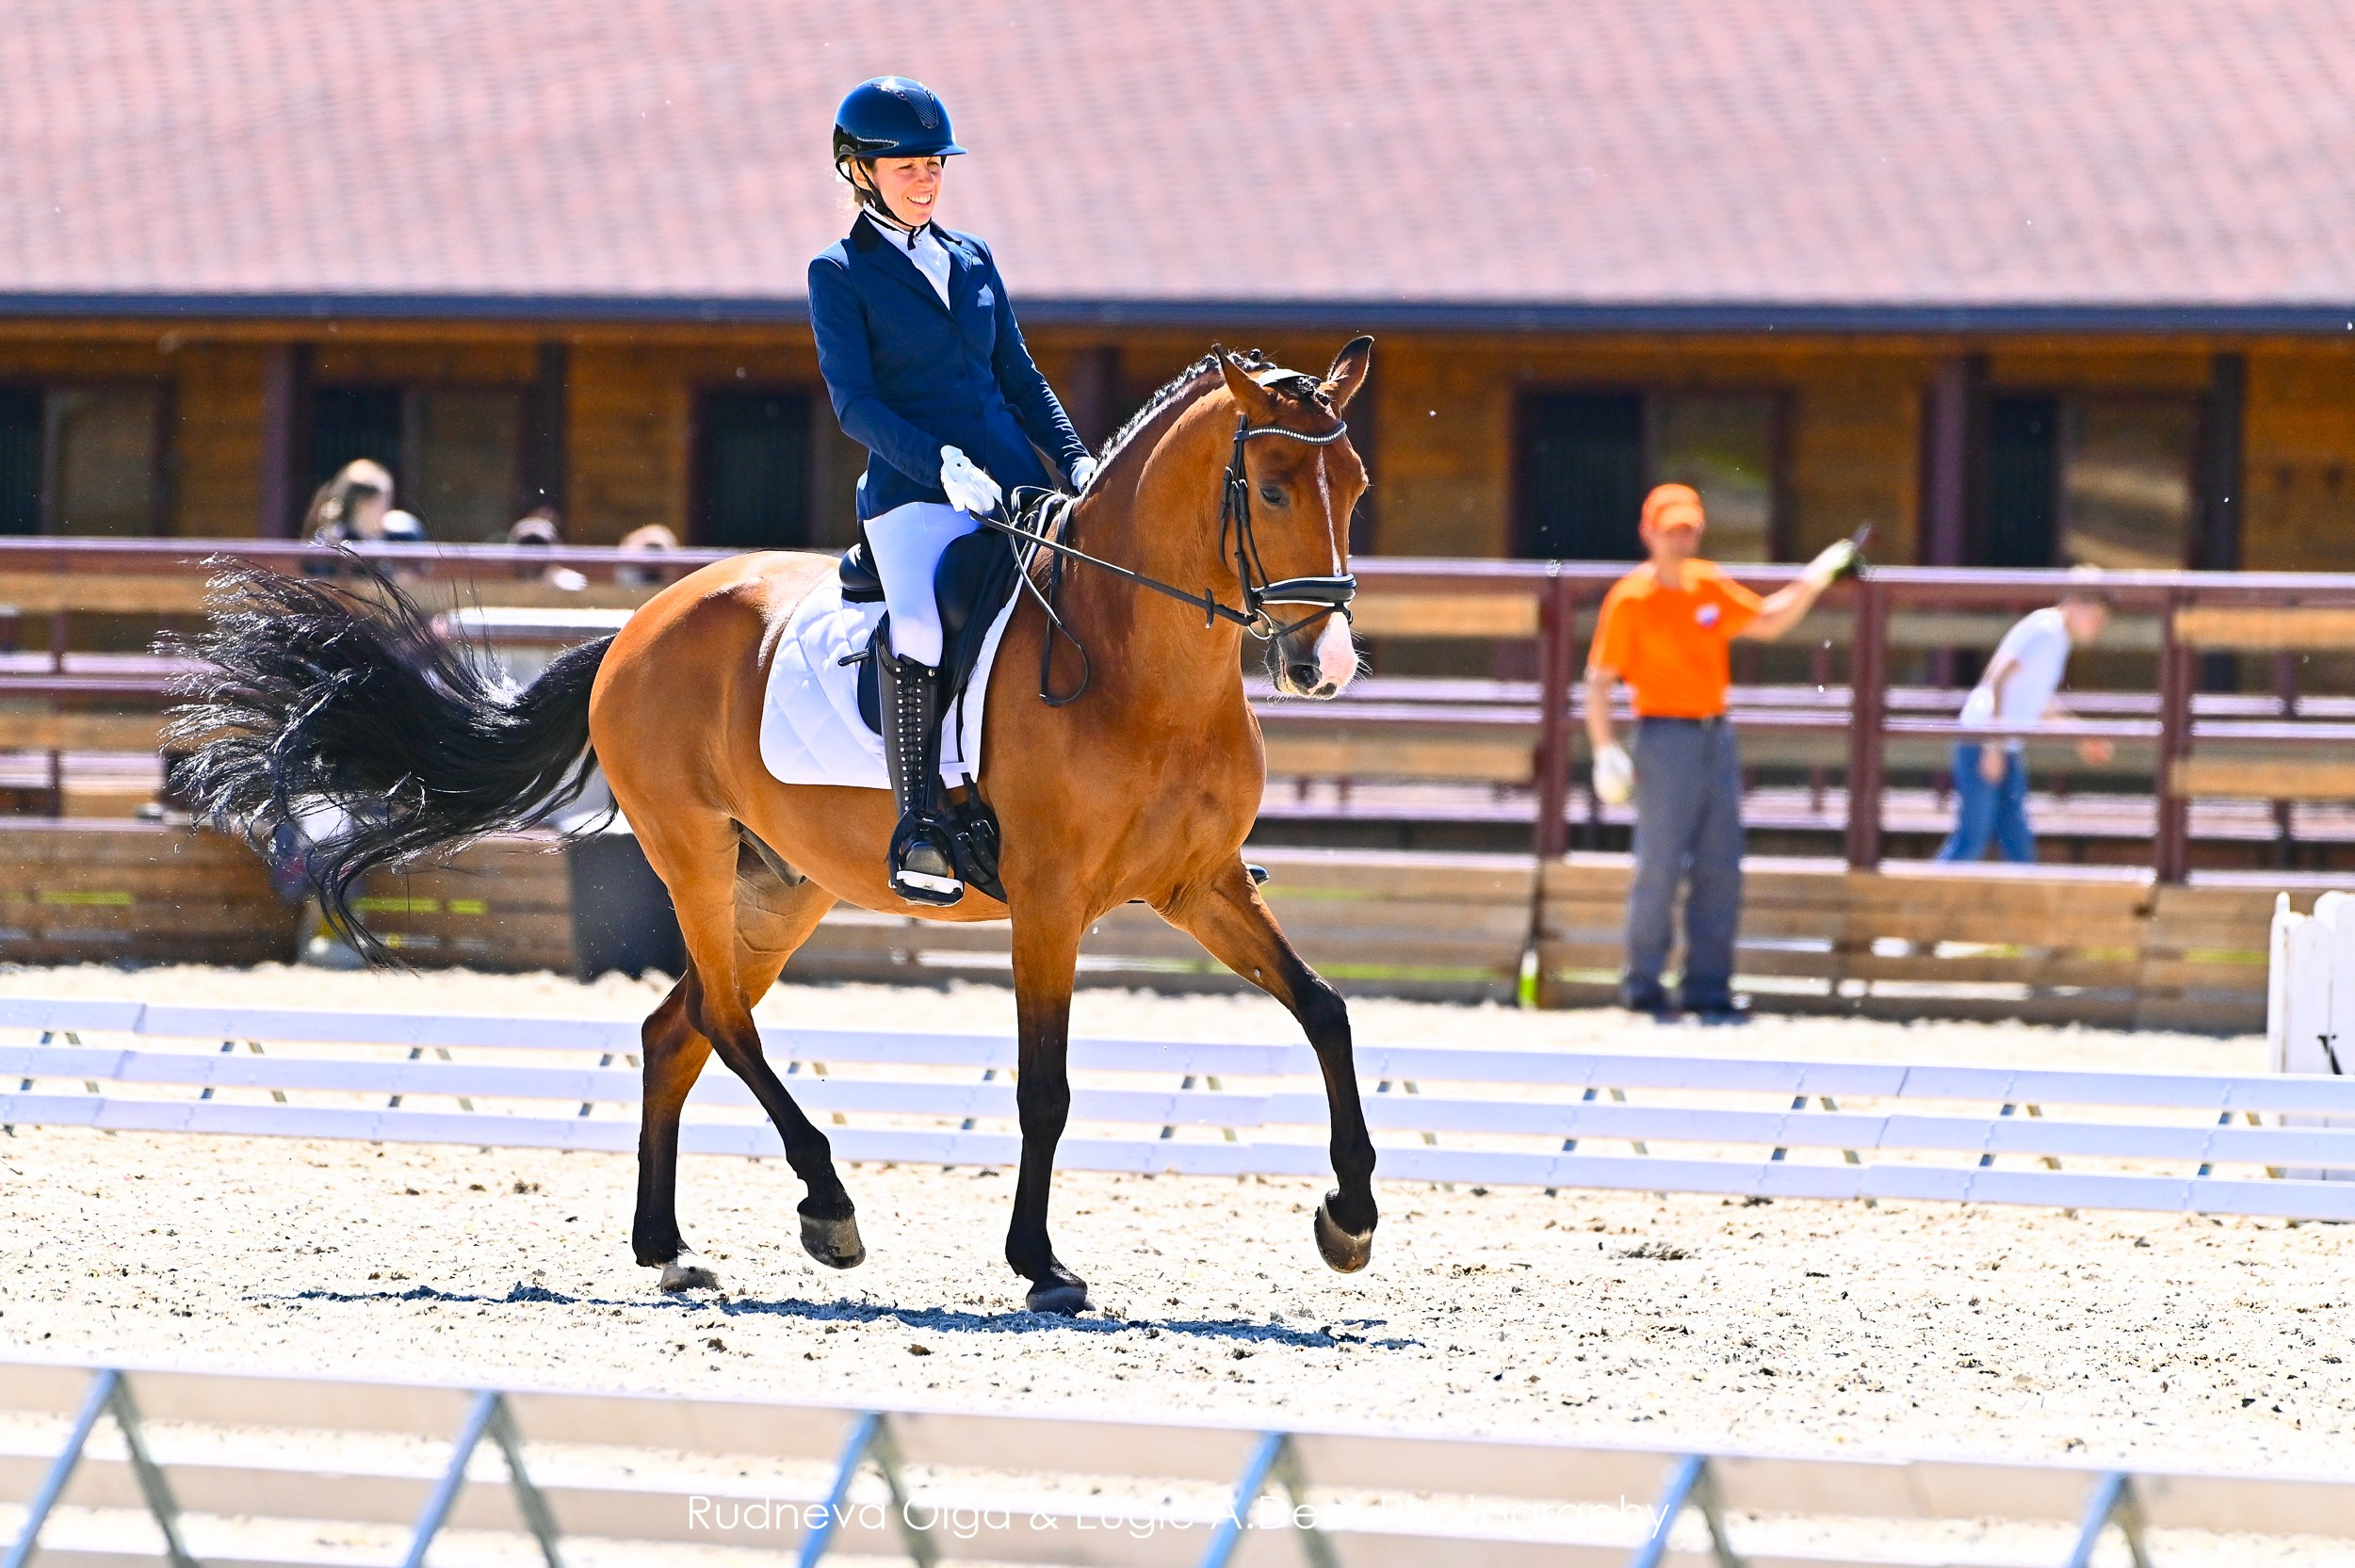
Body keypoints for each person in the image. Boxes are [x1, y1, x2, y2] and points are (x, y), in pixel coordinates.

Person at [808, 76, 1095, 906]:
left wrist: (1076, 461)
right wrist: (940, 465)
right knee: (921, 627)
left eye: (934, 163)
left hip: (1013, 484)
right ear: (859, 172)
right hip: (913, 494)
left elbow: (1020, 377)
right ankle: (922, 825)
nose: (926, 179)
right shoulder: (840, 273)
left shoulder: (972, 258)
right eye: (907, 166)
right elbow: (855, 404)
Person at [1585, 485, 1859, 1021]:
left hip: (1716, 736)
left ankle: (1708, 988)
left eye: (1688, 529)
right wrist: (1603, 748)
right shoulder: (1630, 598)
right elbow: (1599, 679)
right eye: (1671, 530)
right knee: (1660, 865)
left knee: (1720, 865)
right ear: (1648, 533)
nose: (1680, 540)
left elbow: (1769, 620)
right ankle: (1643, 985)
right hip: (1662, 737)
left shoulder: (1708, 583)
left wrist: (1818, 574)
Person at [1935, 578, 2115, 864]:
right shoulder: (2046, 631)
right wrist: (1993, 745)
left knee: (2017, 843)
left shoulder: (2057, 638)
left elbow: (2039, 700)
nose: (2098, 626)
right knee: (1973, 838)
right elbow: (1997, 677)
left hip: (2003, 743)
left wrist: (2081, 736)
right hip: (1983, 738)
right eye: (2096, 617)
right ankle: (1924, 892)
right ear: (2075, 603)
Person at [303, 459, 394, 543]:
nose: (387, 510)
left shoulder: (387, 537)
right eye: (384, 503)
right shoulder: (334, 542)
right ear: (362, 505)